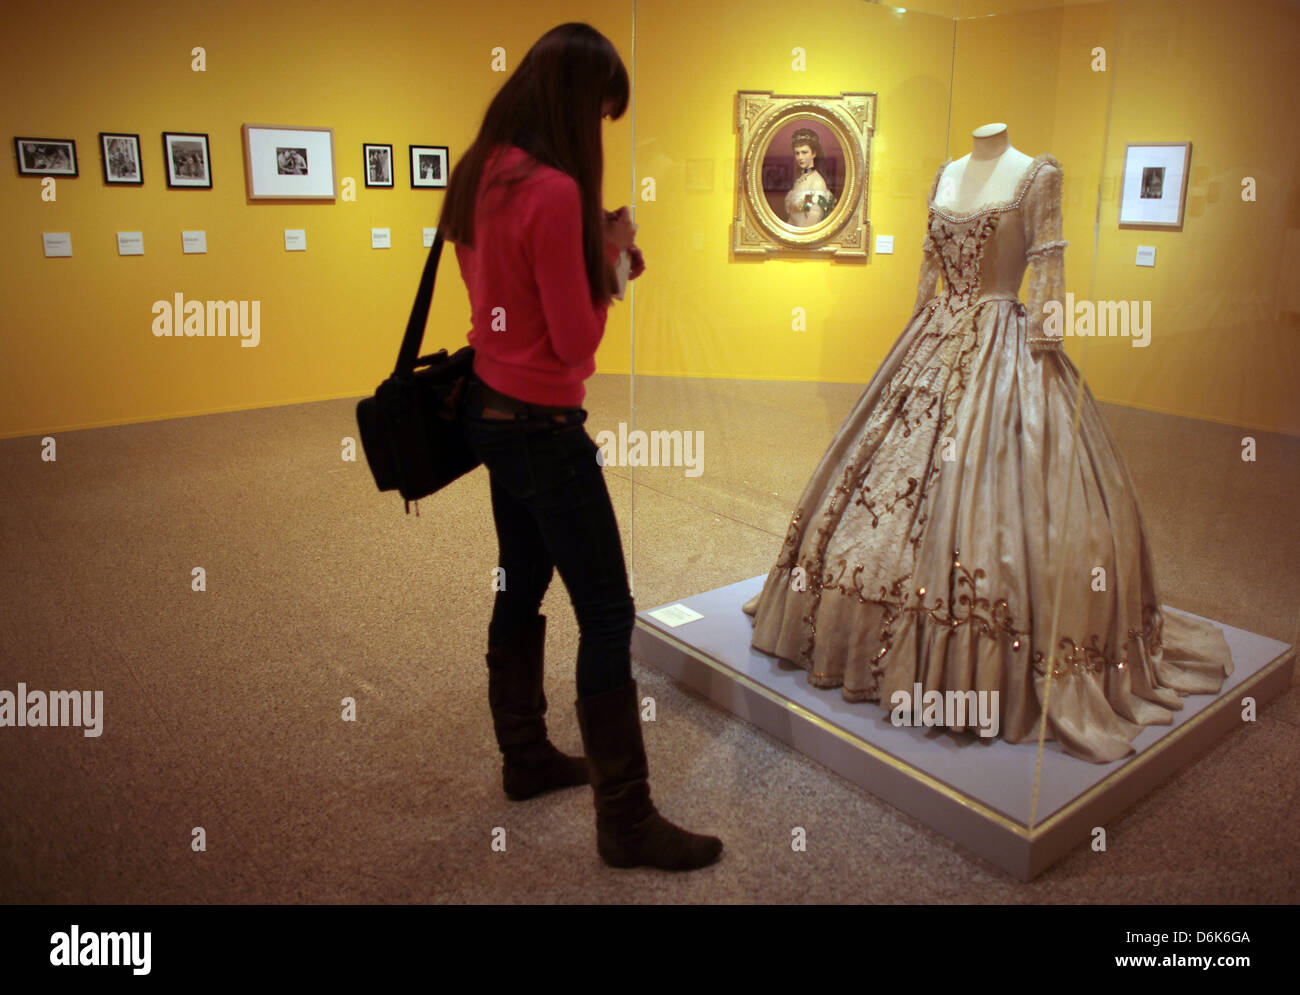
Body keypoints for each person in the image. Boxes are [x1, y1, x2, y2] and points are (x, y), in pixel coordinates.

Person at [437, 22, 722, 871]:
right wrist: (615, 265)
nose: (600, 130)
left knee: (520, 585)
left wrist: (586, 252)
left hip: (490, 416)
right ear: (574, 102)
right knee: (607, 613)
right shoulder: (554, 189)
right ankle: (625, 820)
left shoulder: (481, 170)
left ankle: (525, 757)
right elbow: (573, 343)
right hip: (546, 428)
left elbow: (498, 299)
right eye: (601, 114)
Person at [784, 127, 835, 226]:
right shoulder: (799, 180)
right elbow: (793, 218)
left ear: (814, 154)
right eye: (797, 153)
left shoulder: (817, 182)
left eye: (804, 152)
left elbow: (813, 220)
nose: (800, 157)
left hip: (805, 237)